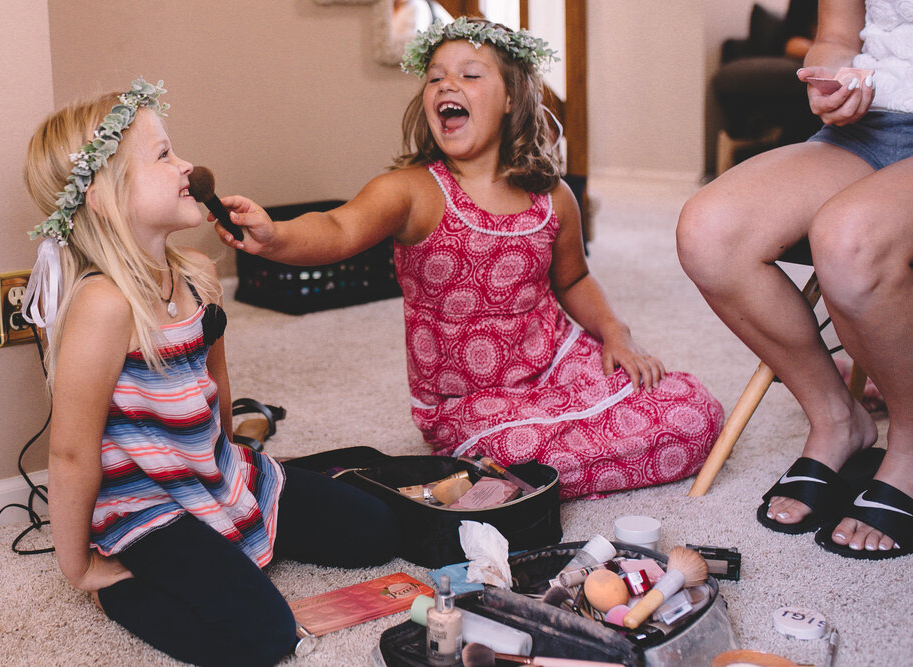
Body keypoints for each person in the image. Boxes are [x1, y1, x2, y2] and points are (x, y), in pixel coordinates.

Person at [212, 18, 724, 500]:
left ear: (510, 99)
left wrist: (616, 333)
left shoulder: (553, 195)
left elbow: (575, 280)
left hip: (556, 361)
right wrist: (274, 236)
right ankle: (501, 465)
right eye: (435, 77)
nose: (446, 85)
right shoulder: (411, 191)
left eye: (469, 74)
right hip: (467, 402)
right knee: (510, 454)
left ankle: (518, 468)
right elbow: (337, 228)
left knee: (694, 412)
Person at [22, 78, 399, 666]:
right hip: (144, 505)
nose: (188, 165)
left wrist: (235, 475)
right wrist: (78, 566)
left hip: (212, 472)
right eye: (164, 155)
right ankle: (122, 597)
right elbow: (70, 453)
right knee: (261, 637)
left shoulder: (196, 273)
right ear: (102, 196)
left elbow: (215, 388)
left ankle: (239, 532)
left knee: (376, 530)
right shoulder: (104, 306)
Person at [677, 0, 913, 560]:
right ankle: (836, 418)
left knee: (848, 240)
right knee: (710, 233)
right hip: (872, 126)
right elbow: (836, 33)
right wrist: (831, 76)